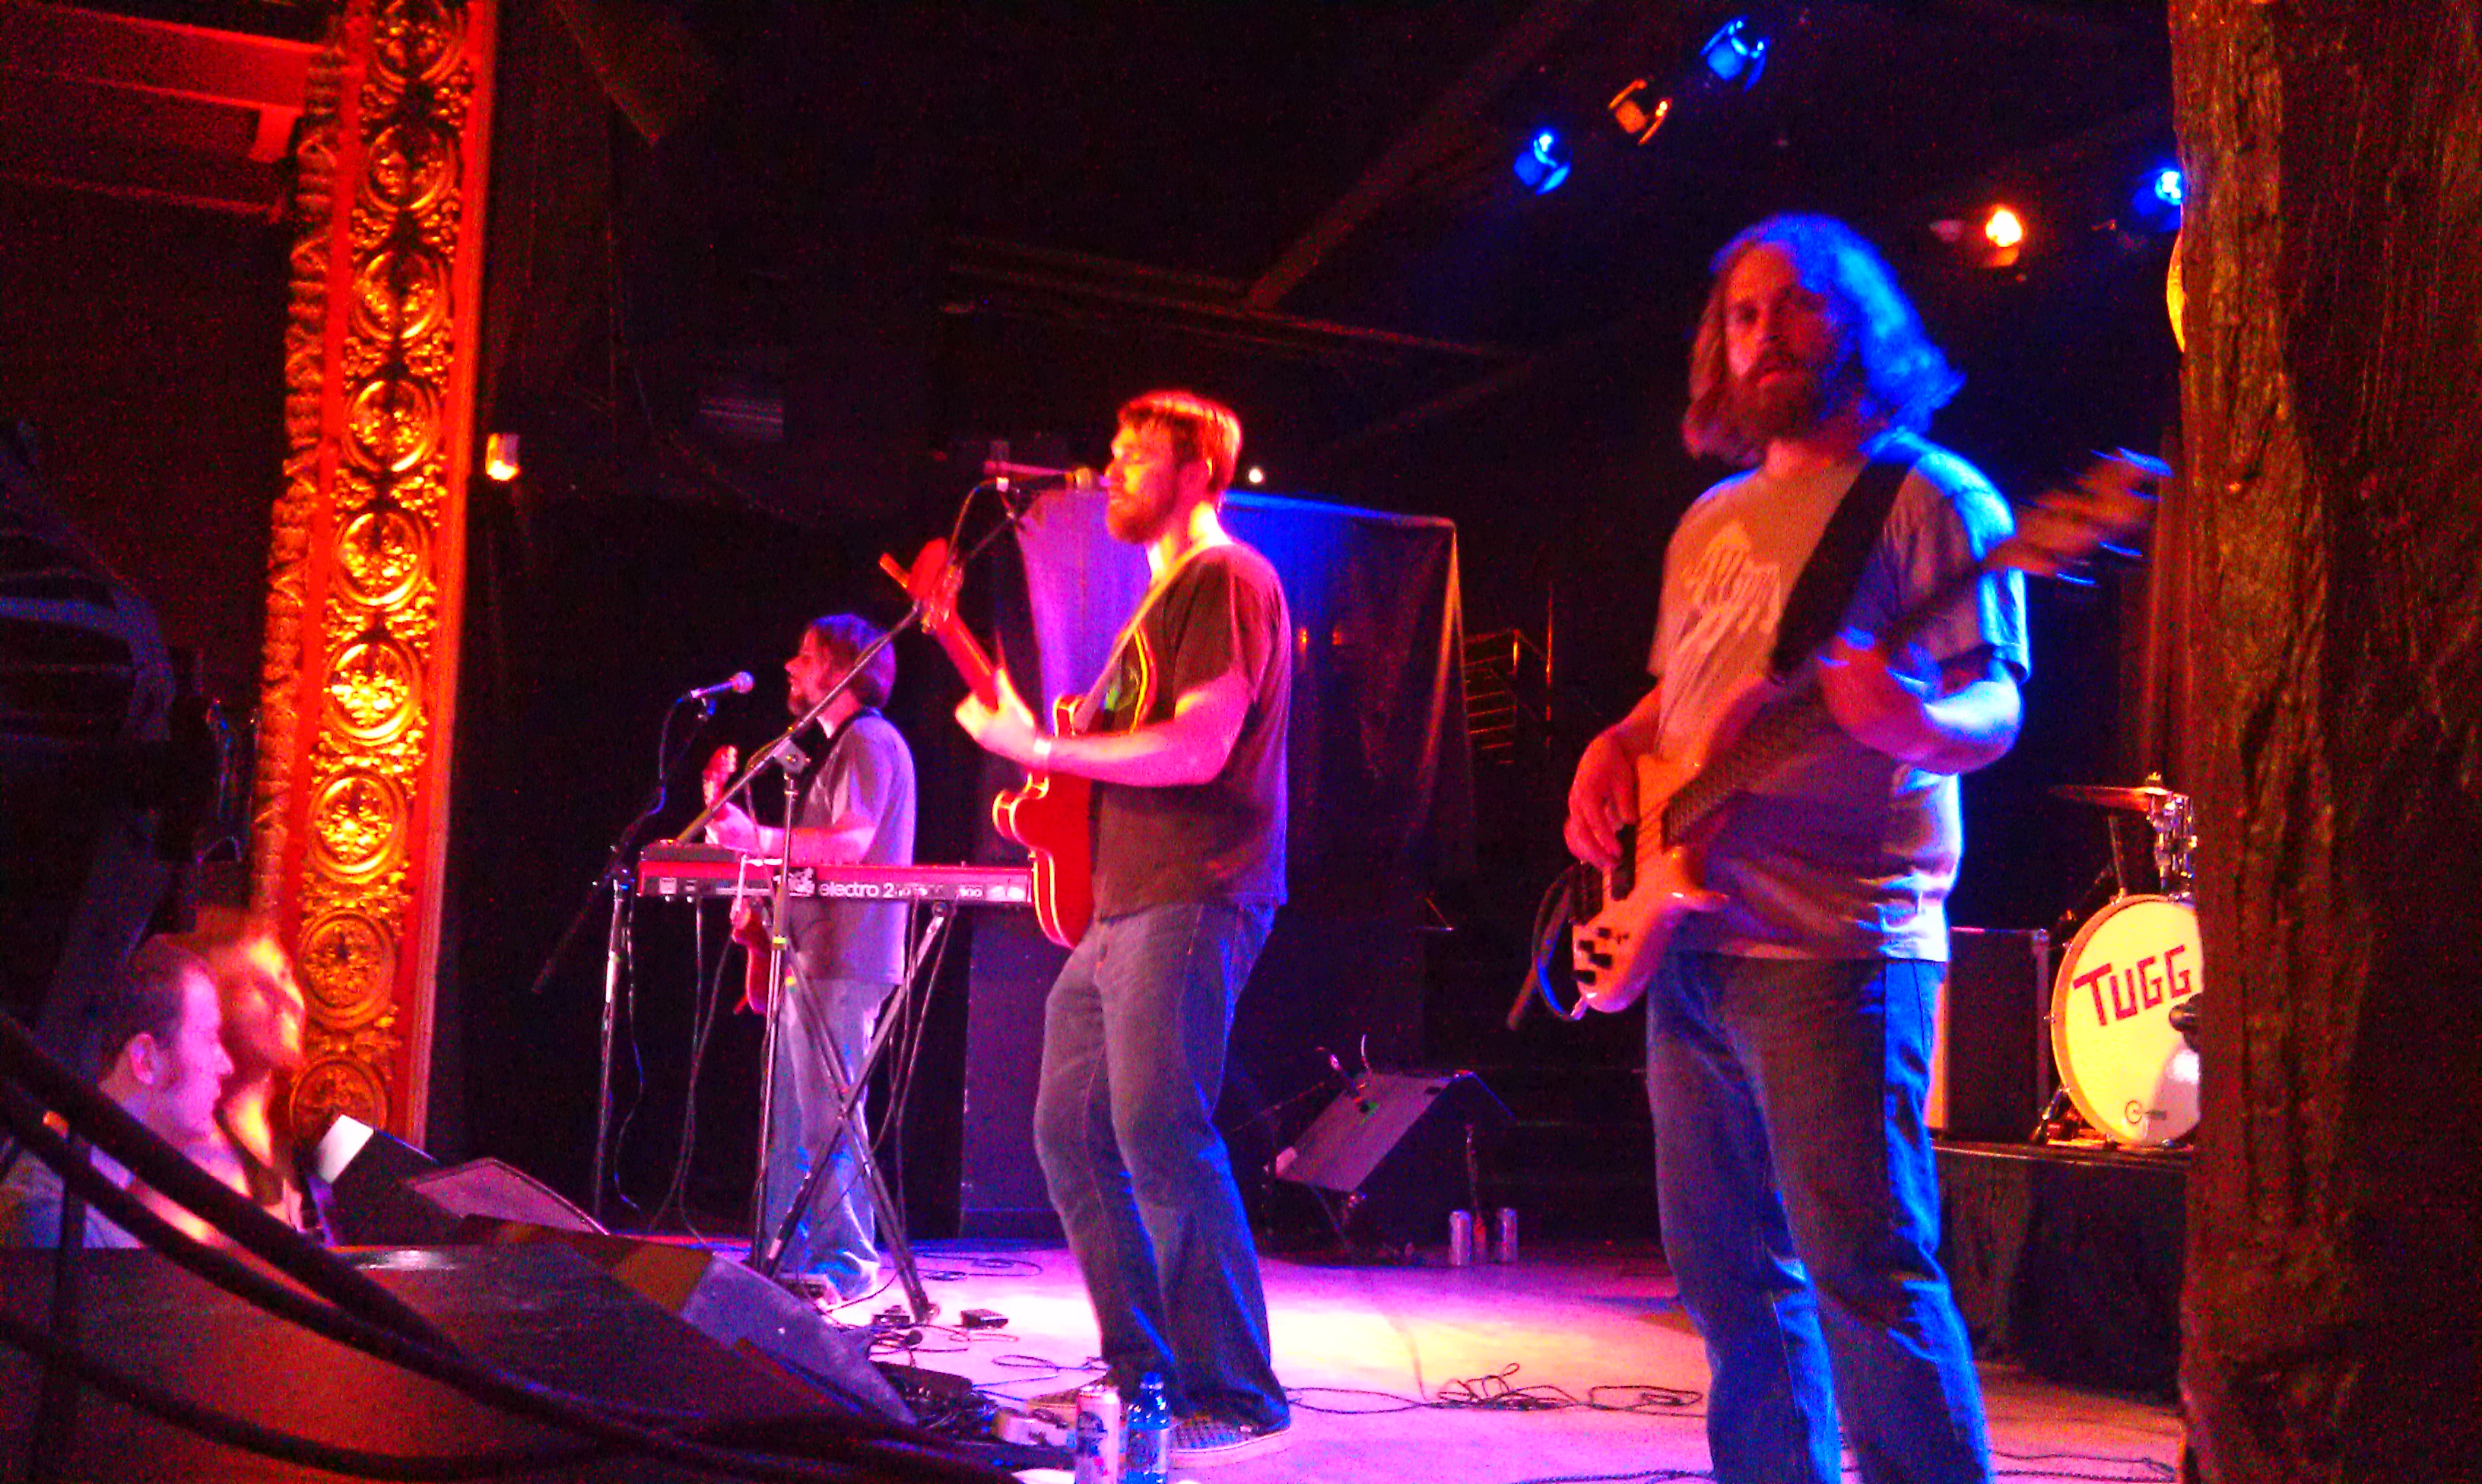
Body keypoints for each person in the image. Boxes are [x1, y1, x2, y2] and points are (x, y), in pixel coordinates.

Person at [1564, 215, 2019, 1484]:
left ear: (1858, 320)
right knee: (1727, 1280)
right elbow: (1686, 702)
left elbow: (1994, 704)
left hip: (1838, 949)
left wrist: (1909, 720)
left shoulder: (1929, 498)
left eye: (1799, 304)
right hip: (1690, 940)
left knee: (1864, 1274)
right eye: (1744, 314)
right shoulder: (1708, 520)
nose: (1768, 332)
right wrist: (1614, 743)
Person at [954, 389, 1292, 1464]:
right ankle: (1145, 1374)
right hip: (1124, 903)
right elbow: (1106, 767)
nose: (1112, 469)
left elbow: (1198, 747)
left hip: (1195, 888)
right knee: (1070, 1131)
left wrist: (1044, 751)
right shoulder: (1155, 605)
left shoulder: (1227, 579)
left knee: (1160, 1131)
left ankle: (1239, 1394)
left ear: (1199, 473)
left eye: (1137, 454)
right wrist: (1040, 751)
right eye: (1113, 450)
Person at [703, 613, 916, 1300]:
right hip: (821, 953)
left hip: (847, 955)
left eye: (806, 654)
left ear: (842, 669)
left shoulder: (870, 740)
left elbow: (851, 845)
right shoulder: (846, 748)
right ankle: (783, 1262)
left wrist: (757, 839)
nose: (791, 667)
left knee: (828, 1117)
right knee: (796, 1121)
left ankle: (846, 1264)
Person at [1, 936, 235, 1247]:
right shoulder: (57, 1220)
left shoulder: (80, 1204)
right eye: (209, 1039)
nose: (226, 1065)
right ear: (145, 1060)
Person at [182, 911, 321, 1237]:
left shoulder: (290, 1152)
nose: (287, 1000)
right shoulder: (198, 1151)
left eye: (284, 975)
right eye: (255, 988)